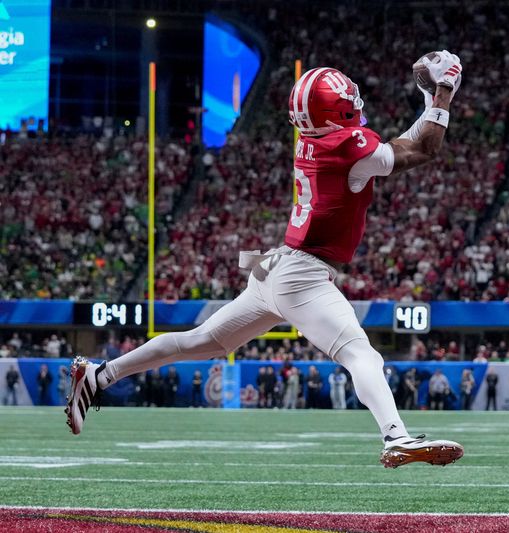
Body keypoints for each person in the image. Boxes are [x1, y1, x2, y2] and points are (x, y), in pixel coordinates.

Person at [65, 52, 464, 468]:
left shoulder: (318, 139)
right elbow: (424, 150)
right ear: (338, 108)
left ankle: (99, 375)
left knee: (196, 342)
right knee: (360, 354)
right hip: (302, 274)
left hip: (274, 266)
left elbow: (398, 147)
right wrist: (443, 91)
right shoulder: (349, 144)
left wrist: (429, 99)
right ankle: (395, 437)